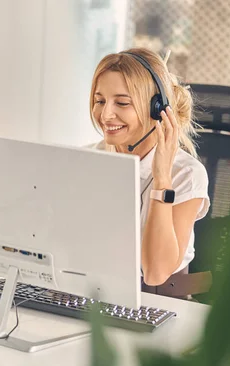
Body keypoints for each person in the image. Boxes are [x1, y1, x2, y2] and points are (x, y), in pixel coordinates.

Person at [88, 48, 210, 287]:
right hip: (95, 288)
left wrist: (162, 179)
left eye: (122, 103)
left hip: (158, 299)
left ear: (157, 108)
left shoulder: (186, 174)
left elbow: (155, 273)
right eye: (100, 101)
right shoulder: (88, 159)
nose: (105, 114)